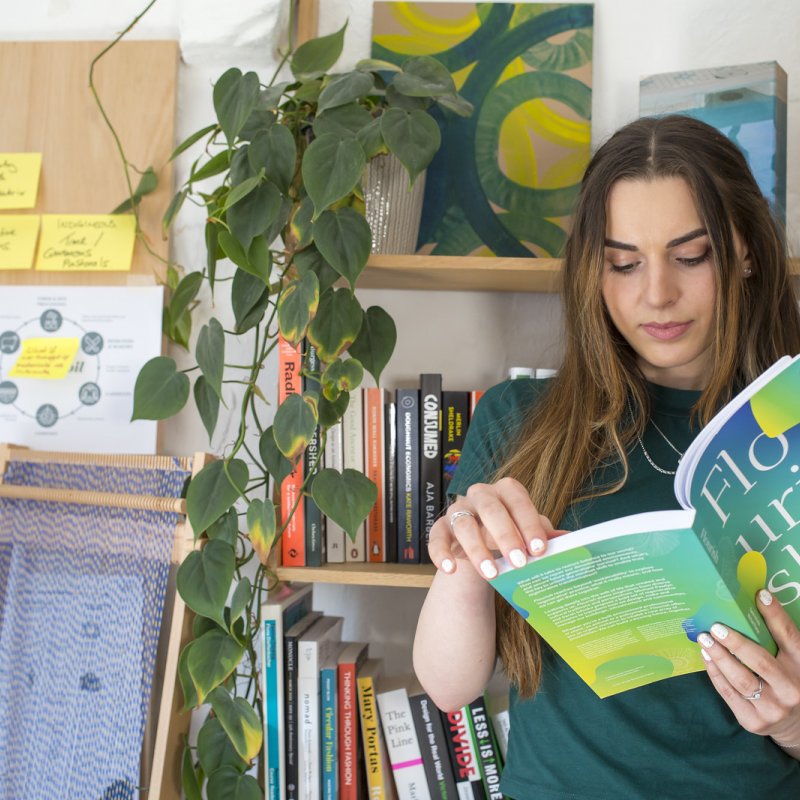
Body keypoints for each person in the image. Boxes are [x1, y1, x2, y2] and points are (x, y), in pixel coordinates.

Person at [413, 115, 800, 799]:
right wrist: (465, 557)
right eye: (623, 263)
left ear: (745, 250)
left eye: (691, 256)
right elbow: (449, 685)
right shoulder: (519, 420)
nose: (656, 294)